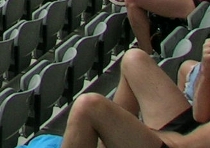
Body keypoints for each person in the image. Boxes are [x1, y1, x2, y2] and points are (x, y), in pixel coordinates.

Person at [60, 40, 210, 148]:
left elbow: (184, 145)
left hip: (185, 144)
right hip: (192, 131)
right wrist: (206, 71)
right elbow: (201, 115)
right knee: (134, 59)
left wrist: (134, 130)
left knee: (88, 105)